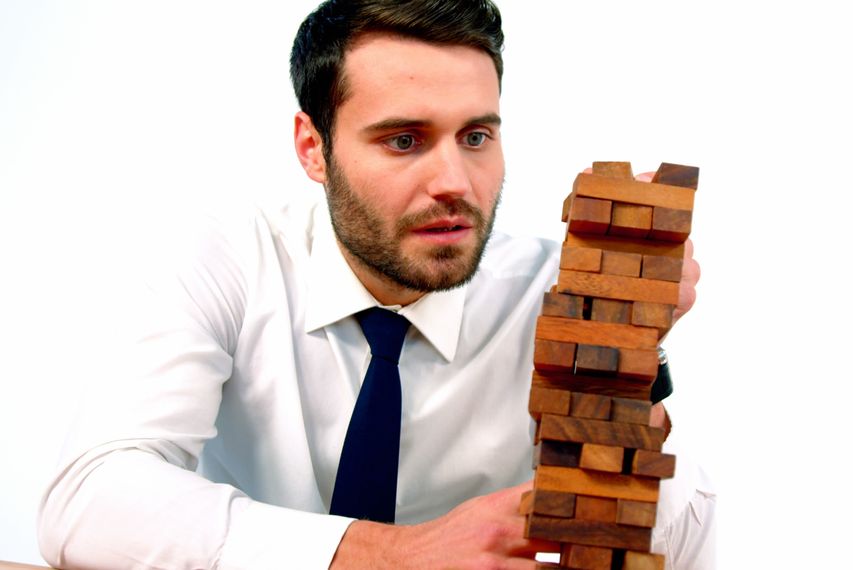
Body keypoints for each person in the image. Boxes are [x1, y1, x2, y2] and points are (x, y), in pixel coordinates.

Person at [37, 1, 716, 568]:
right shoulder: (229, 259)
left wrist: (630, 355)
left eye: (476, 136)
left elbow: (683, 551)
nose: (454, 182)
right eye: (403, 140)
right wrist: (391, 555)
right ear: (313, 148)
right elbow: (90, 501)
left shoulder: (556, 295)